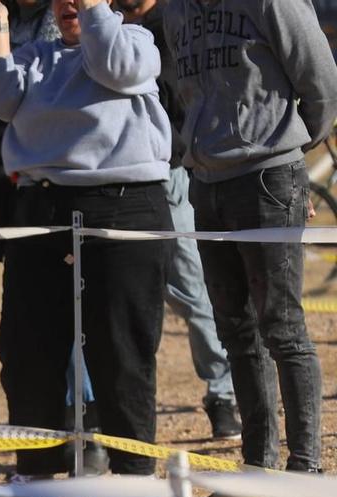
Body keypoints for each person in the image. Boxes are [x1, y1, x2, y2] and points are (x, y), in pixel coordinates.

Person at [0, 0, 170, 497]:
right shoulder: (37, 55)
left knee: (120, 344)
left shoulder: (136, 41)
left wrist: (100, 11)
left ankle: (133, 473)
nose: (69, 5)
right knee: (26, 345)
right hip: (41, 204)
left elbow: (117, 68)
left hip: (122, 204)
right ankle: (34, 474)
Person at [163, 0, 337, 497]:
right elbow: (183, 88)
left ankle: (305, 471)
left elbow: (320, 76)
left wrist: (289, 150)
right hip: (206, 182)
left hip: (268, 178)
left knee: (281, 326)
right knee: (235, 331)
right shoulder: (176, 11)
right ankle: (256, 471)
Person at [116, 0, 238, 443]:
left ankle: (222, 395)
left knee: (196, 293)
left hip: (172, 174)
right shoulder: (101, 26)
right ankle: (105, 413)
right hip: (114, 182)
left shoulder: (179, 22)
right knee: (113, 304)